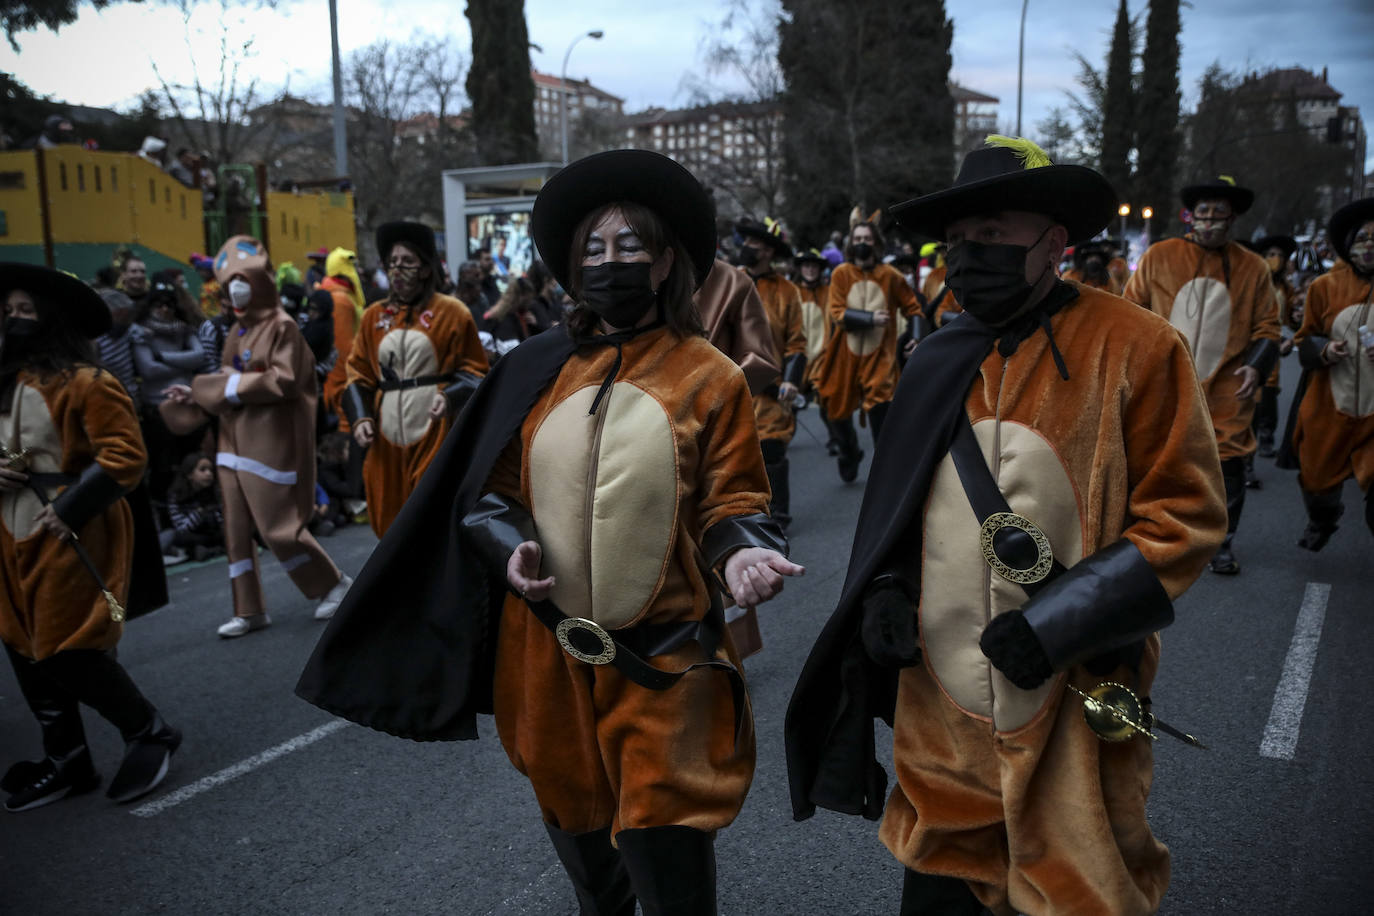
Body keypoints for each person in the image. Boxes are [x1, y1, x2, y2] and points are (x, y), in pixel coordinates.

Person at [298, 149, 803, 915]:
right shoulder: (533, 369)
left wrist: (741, 554)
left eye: (631, 245)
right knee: (593, 874)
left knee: (667, 854)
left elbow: (730, 498)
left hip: (662, 661)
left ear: (667, 262)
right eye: (593, 248)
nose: (611, 261)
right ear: (571, 265)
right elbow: (485, 498)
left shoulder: (711, 375)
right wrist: (510, 547)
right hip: (549, 660)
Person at [785, 136, 1227, 916]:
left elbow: (1185, 515)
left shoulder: (1138, 348)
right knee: (940, 889)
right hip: (943, 715)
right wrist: (887, 588)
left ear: (1053, 243)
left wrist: (1061, 622)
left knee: (1074, 884)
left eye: (992, 236)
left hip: (1071, 700)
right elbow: (901, 509)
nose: (967, 256)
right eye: (958, 241)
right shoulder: (933, 360)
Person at [0, 262, 181, 811]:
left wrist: (72, 507)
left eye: (25, 311)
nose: (13, 319)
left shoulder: (87, 382)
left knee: (64, 646)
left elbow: (126, 456)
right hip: (10, 536)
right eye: (6, 311)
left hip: (66, 531)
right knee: (23, 647)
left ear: (52, 319)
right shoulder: (3, 386)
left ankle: (148, 729)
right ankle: (67, 756)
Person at [161, 236, 352, 638]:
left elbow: (283, 381)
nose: (236, 292)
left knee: (276, 525)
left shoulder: (282, 327)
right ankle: (248, 608)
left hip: (269, 442)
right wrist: (199, 393)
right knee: (235, 529)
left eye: (242, 282)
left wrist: (227, 385)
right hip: (232, 441)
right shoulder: (238, 332)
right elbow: (227, 380)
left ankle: (332, 583)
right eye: (230, 284)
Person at [1122, 176, 1280, 575]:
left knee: (1226, 466)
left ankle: (1222, 544)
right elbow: (1130, 310)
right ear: (1190, 218)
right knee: (1156, 461)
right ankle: (1157, 535)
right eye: (1202, 214)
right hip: (1164, 384)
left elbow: (1268, 326)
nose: (1209, 222)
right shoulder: (1159, 256)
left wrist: (1255, 365)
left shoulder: (1253, 267)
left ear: (1232, 219)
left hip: (1227, 388)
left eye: (1218, 214)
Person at [340, 221, 488, 537]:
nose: (398, 270)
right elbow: (357, 374)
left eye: (407, 262)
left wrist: (450, 396)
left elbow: (477, 371)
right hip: (385, 440)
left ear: (425, 267)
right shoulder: (372, 317)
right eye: (392, 263)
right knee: (389, 521)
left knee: (432, 518)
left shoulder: (453, 313)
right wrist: (360, 418)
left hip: (436, 432)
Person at [1285, 197, 1374, 550]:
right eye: (1363, 239)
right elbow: (1304, 339)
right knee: (1317, 479)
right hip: (1329, 404)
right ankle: (1322, 519)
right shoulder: (1324, 288)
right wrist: (1325, 350)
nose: (1370, 247)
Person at [811, 218, 919, 482]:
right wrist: (870, 319)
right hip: (844, 356)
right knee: (834, 408)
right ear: (851, 243)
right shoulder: (841, 274)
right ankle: (849, 452)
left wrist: (916, 337)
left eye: (867, 239)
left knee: (882, 409)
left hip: (879, 356)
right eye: (857, 239)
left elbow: (914, 308)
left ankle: (886, 476)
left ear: (876, 243)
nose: (862, 244)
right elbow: (837, 312)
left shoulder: (891, 276)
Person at [737, 217, 807, 530]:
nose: (746, 248)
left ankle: (778, 514)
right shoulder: (728, 284)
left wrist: (791, 380)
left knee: (772, 449)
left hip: (772, 388)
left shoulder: (788, 291)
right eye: (746, 242)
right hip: (733, 386)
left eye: (754, 244)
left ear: (767, 251)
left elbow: (797, 342)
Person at [130, 273, 207, 501]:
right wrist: (183, 366)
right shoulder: (141, 331)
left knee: (191, 463)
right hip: (157, 411)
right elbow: (147, 369)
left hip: (188, 407)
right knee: (163, 467)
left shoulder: (183, 329)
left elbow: (200, 355)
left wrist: (161, 356)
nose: (164, 310)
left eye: (169, 305)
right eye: (158, 305)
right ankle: (166, 512)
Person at [319, 248, 365, 432]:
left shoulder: (340, 294)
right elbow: (343, 346)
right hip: (343, 377)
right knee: (346, 424)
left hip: (345, 373)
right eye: (351, 265)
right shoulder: (340, 299)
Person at [163, 452, 224, 561]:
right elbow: (181, 528)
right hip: (192, 536)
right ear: (189, 474)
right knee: (173, 535)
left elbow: (222, 521)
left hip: (213, 534)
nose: (208, 474)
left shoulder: (214, 492)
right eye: (203, 470)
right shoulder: (177, 496)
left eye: (210, 470)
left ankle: (210, 550)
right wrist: (199, 512)